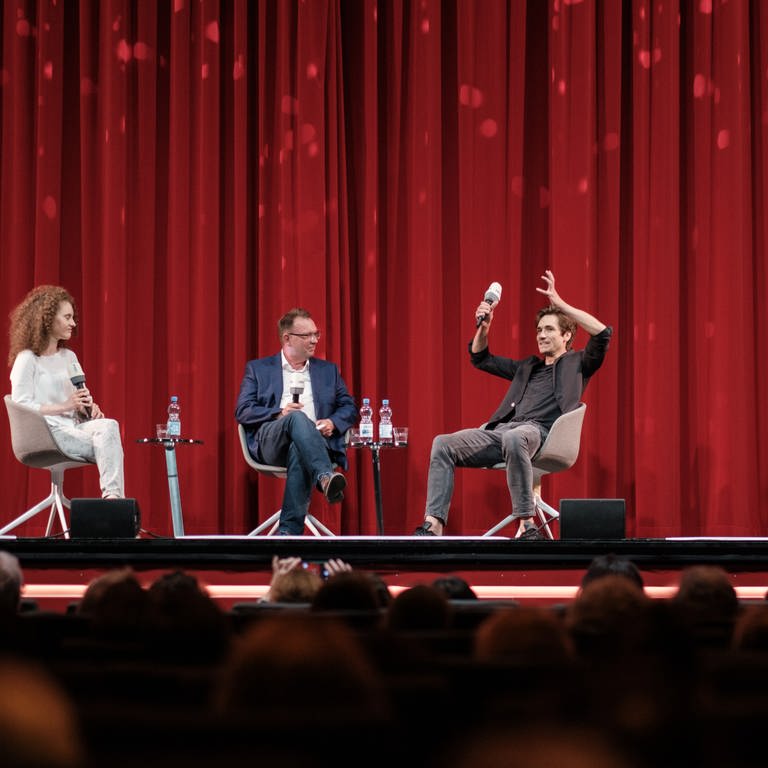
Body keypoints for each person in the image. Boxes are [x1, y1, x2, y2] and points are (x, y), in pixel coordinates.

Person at [413, 271, 611, 539]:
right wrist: (484, 327)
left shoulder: (578, 364)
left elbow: (601, 333)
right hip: (504, 432)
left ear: (566, 335)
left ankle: (526, 524)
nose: (541, 335)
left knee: (516, 438)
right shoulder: (527, 367)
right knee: (443, 443)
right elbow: (480, 358)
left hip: (540, 433)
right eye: (539, 330)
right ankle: (433, 524)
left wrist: (561, 305)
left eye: (549, 329)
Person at [235, 308, 357, 535]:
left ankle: (288, 535)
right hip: (272, 441)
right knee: (296, 418)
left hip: (316, 444)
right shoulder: (258, 369)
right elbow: (243, 410)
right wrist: (279, 413)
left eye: (316, 334)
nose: (314, 340)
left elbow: (349, 407)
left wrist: (332, 422)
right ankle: (324, 477)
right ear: (287, 338)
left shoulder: (328, 371)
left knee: (299, 447)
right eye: (306, 336)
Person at [8, 285, 125, 499]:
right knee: (109, 445)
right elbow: (21, 407)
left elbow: (75, 403)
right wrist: (65, 405)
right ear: (48, 319)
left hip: (73, 427)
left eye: (73, 317)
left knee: (109, 426)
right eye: (67, 317)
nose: (73, 323)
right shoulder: (27, 359)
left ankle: (113, 499)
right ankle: (114, 504)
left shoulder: (69, 357)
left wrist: (84, 408)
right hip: (46, 434)